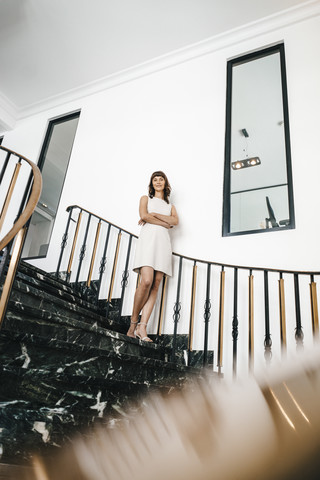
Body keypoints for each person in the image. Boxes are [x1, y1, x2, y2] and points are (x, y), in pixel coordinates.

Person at [127, 171, 178, 342]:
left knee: (156, 284)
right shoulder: (145, 199)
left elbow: (175, 221)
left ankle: (142, 327)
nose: (158, 182)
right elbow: (144, 215)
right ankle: (132, 324)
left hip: (163, 244)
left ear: (165, 183)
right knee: (146, 281)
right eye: (155, 179)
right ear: (151, 183)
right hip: (148, 242)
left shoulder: (171, 207)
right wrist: (164, 222)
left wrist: (153, 216)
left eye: (161, 179)